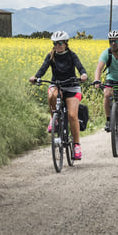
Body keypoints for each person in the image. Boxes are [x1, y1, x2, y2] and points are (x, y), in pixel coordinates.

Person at [29, 30, 88, 160]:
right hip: (56, 84)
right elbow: (43, 69)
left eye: (60, 43)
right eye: (55, 43)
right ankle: (53, 118)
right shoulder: (51, 56)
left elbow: (80, 67)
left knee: (72, 115)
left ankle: (77, 146)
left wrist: (83, 75)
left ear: (66, 43)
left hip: (72, 85)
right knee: (51, 95)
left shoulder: (72, 55)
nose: (57, 45)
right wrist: (36, 77)